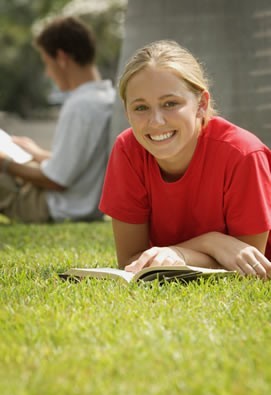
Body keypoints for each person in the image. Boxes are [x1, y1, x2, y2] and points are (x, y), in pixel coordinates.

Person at [99, 40, 271, 279]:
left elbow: (248, 264)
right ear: (127, 111)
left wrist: (180, 253)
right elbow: (131, 261)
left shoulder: (243, 154)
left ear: (201, 104)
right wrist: (212, 243)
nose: (156, 121)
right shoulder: (128, 150)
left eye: (170, 104)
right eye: (141, 108)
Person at [0, 16, 115, 223]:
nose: (47, 72)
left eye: (46, 62)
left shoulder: (80, 105)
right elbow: (76, 162)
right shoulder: (107, 98)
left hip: (54, 207)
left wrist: (5, 163)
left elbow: (57, 181)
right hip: (80, 203)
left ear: (61, 58)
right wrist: (36, 153)